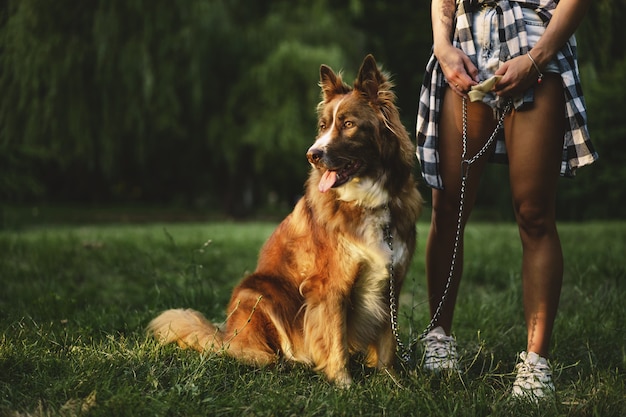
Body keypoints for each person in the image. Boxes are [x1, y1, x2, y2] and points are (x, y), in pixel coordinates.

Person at [415, 0, 598, 401]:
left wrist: (537, 58)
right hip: (465, 44)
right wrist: (442, 48)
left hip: (534, 40)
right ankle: (439, 337)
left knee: (534, 213)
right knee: (447, 205)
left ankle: (536, 363)